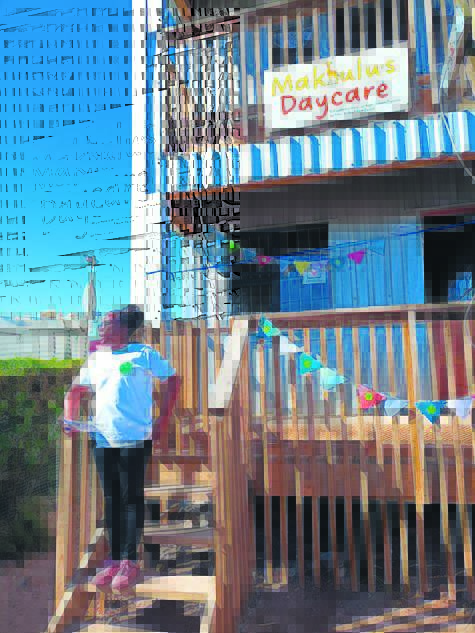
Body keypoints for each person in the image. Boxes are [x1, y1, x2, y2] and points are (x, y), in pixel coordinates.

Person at [62, 305, 181, 593]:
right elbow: (76, 390)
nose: (102, 327)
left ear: (125, 329)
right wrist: (69, 417)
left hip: (135, 439)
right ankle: (114, 560)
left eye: (108, 323)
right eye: (102, 323)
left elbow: (173, 380)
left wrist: (163, 420)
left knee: (130, 499)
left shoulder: (143, 354)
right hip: (102, 438)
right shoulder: (97, 358)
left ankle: (130, 561)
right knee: (112, 499)